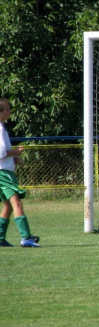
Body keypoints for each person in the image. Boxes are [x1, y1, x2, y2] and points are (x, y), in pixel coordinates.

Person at [0, 98, 40, 248]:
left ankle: (0, 238)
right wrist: (17, 152)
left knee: (8, 206)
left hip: (3, 171)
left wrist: (14, 159)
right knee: (17, 203)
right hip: (3, 174)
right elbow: (2, 152)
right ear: (1, 112)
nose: (10, 112)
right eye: (7, 109)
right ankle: (26, 238)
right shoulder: (0, 129)